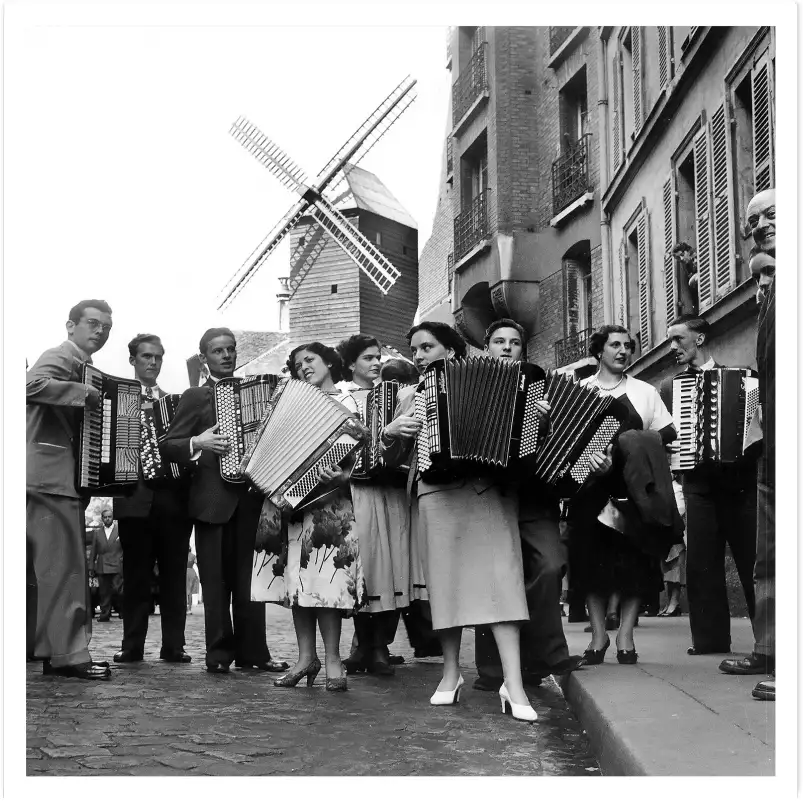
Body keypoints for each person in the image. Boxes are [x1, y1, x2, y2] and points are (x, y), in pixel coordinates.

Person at [382, 322, 537, 722]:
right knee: (445, 585)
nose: (417, 356)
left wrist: (537, 419)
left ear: (451, 350)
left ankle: (513, 683)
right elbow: (391, 460)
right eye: (413, 349)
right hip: (436, 493)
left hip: (490, 490)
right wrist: (392, 432)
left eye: (426, 347)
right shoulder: (408, 396)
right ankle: (450, 674)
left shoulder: (508, 380)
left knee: (503, 583)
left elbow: (526, 442)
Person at [163, 327, 287, 675]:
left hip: (249, 500)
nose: (226, 355)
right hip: (211, 502)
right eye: (218, 351)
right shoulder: (194, 396)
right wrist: (198, 442)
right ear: (204, 357)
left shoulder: (258, 393)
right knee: (215, 586)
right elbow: (169, 445)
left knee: (251, 584)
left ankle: (255, 654)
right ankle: (218, 655)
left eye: (230, 349)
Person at [473, 319, 585, 693]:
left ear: (523, 349)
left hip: (536, 496)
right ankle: (492, 670)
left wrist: (548, 425)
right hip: (489, 497)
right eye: (499, 341)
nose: (507, 347)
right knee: (496, 578)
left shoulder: (541, 384)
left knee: (551, 567)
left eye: (515, 342)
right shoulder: (470, 383)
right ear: (486, 346)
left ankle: (547, 656)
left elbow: (568, 449)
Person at [567, 325, 677, 666]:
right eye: (614, 345)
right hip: (590, 491)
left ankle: (626, 635)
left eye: (627, 346)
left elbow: (665, 437)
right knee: (591, 566)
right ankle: (599, 636)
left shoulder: (644, 392)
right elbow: (567, 446)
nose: (622, 351)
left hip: (634, 495)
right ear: (599, 350)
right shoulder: (580, 391)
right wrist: (591, 464)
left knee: (635, 567)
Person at [26, 299, 114, 680]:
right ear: (70, 325)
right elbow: (28, 384)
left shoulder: (81, 364)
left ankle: (41, 646)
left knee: (40, 572)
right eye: (92, 324)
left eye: (105, 328)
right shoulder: (63, 355)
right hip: (52, 475)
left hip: (49, 475)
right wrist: (84, 393)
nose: (99, 332)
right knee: (63, 569)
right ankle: (66, 655)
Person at [272, 342, 365, 692]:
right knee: (298, 586)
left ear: (329, 362)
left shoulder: (347, 402)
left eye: (309, 360)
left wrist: (345, 476)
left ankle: (333, 661)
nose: (303, 368)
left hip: (332, 507)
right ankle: (304, 659)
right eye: (297, 365)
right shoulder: (291, 407)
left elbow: (359, 455)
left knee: (326, 583)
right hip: (297, 505)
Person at [664, 315, 756, 654]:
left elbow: (756, 427)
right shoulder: (671, 387)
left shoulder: (745, 378)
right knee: (702, 562)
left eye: (678, 339)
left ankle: (767, 638)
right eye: (670, 340)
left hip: (740, 486)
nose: (672, 347)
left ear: (700, 339)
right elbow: (666, 434)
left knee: (751, 560)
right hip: (698, 486)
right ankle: (709, 640)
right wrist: (670, 445)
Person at [720, 188, 775, 701]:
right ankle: (770, 648)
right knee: (768, 554)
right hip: (773, 445)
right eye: (755, 219)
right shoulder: (769, 306)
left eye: (775, 215)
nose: (762, 225)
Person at [113, 334, 193, 664]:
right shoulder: (118, 397)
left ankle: (174, 646)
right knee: (135, 578)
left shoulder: (174, 402)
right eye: (146, 356)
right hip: (134, 499)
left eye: (158, 357)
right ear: (133, 360)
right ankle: (131, 647)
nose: (153, 362)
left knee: (174, 577)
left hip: (173, 500)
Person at [336, 334, 412, 676]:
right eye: (368, 358)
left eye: (378, 356)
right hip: (359, 488)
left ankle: (379, 645)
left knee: (391, 566)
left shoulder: (397, 393)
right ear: (352, 364)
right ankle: (365, 645)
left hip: (392, 488)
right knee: (366, 565)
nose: (376, 362)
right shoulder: (341, 397)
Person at [93, 507, 124, 621]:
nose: (107, 519)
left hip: (117, 565)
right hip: (102, 566)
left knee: (119, 591)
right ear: (102, 519)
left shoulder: (120, 530)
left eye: (109, 517)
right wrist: (92, 566)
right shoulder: (97, 533)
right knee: (104, 592)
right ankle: (105, 614)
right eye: (105, 517)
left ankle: (123, 611)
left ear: (113, 518)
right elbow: (93, 552)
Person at [187, 547, 199, 614]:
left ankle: (185, 608)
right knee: (190, 593)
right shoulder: (193, 556)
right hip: (191, 573)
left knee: (184, 592)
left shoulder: (182, 555)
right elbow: (197, 563)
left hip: (184, 573)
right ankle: (189, 609)